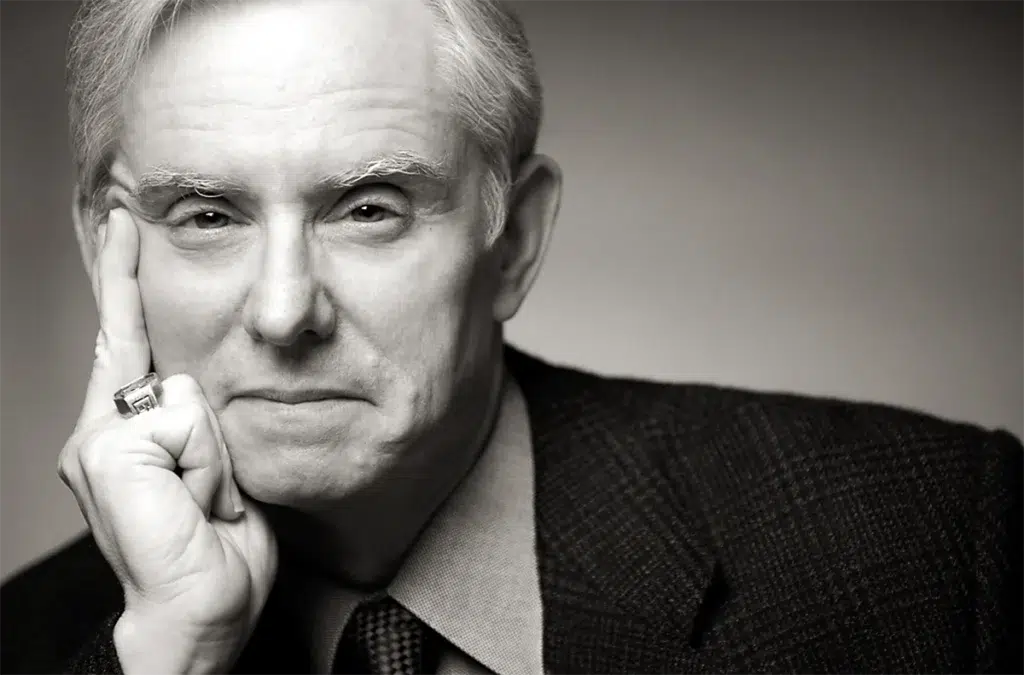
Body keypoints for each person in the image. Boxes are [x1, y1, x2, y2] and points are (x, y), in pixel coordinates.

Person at [0, 0, 1021, 673]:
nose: (282, 312)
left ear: (516, 241)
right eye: (208, 216)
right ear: (110, 257)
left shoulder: (929, 540)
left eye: (368, 208)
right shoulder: (45, 642)